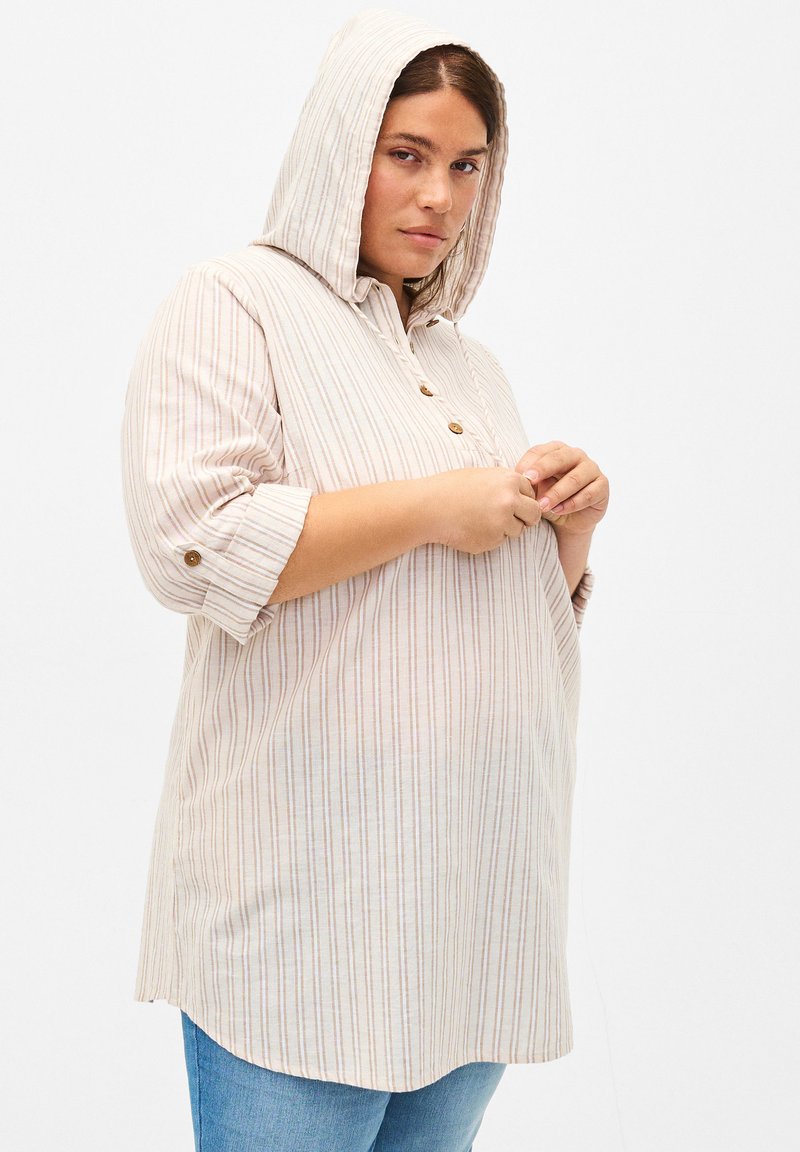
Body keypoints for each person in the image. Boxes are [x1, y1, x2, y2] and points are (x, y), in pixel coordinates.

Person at [120, 8, 609, 1151]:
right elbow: (189, 543)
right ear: (341, 145)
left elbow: (493, 617)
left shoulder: (465, 363)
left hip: (472, 904)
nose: (438, 196)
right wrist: (434, 506)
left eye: (466, 165)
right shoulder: (235, 301)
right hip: (308, 911)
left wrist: (567, 533)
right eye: (406, 154)